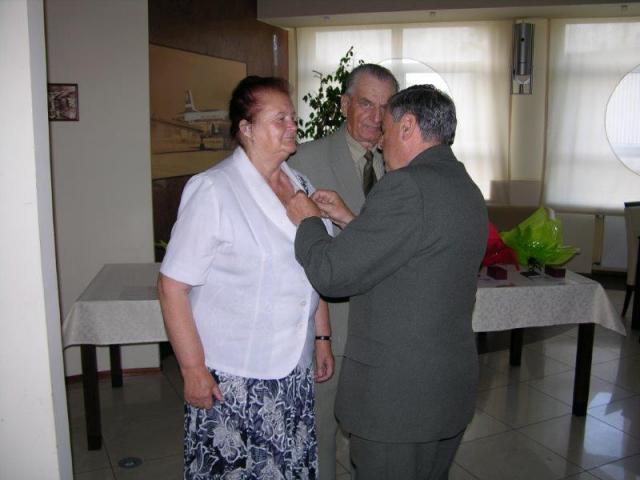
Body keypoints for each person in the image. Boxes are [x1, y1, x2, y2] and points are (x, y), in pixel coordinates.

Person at [286, 84, 488, 480]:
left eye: (386, 129)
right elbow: (412, 258)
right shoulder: (464, 185)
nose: (380, 142)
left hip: (399, 402)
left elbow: (332, 274)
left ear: (408, 126)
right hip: (445, 389)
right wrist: (349, 219)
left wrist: (307, 221)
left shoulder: (406, 185)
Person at [158, 76, 334, 479]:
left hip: (294, 367)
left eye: (293, 117)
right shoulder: (213, 190)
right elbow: (172, 286)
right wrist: (192, 370)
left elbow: (315, 264)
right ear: (246, 128)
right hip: (235, 377)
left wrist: (322, 336)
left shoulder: (300, 184)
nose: (292, 126)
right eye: (279, 119)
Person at [288, 63, 398, 479]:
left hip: (388, 329)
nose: (376, 116)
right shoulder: (304, 159)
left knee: (377, 438)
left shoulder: (403, 163)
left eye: (386, 107)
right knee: (320, 434)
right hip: (331, 325)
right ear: (344, 104)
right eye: (366, 103)